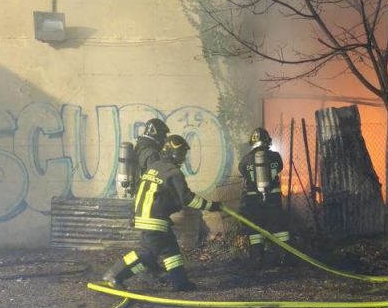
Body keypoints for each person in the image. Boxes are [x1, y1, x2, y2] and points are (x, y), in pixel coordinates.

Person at [103, 134, 222, 291]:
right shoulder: (173, 172)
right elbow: (188, 199)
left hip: (148, 216)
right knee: (148, 255)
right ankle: (115, 275)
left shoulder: (155, 167)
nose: (182, 157)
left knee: (171, 250)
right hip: (155, 220)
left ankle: (180, 283)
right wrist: (212, 206)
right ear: (172, 152)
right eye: (181, 153)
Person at [105, 118, 170, 283]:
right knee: (149, 247)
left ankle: (152, 269)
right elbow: (156, 177)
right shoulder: (151, 153)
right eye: (163, 135)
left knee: (156, 241)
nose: (164, 139)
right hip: (150, 202)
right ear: (156, 134)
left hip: (142, 199)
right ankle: (117, 272)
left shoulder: (142, 147)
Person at [238, 127, 289, 268]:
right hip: (273, 199)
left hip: (253, 201)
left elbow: (242, 170)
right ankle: (285, 256)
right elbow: (279, 167)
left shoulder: (246, 159)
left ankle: (257, 258)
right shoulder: (275, 156)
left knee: (255, 229)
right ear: (267, 140)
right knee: (278, 227)